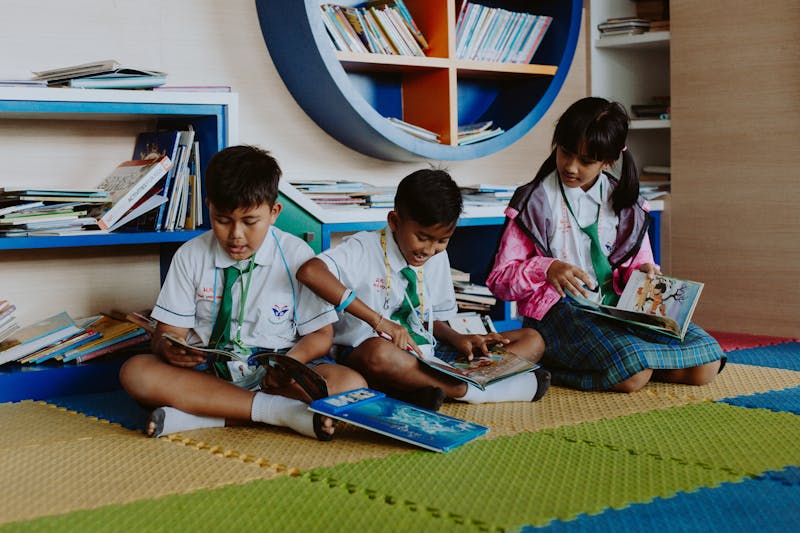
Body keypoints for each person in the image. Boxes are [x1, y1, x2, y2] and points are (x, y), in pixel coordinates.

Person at [119, 145, 366, 440]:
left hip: (276, 378)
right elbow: (168, 332)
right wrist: (169, 347)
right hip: (209, 377)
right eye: (223, 220)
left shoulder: (296, 254)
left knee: (350, 383)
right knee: (137, 372)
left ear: (274, 212)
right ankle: (282, 414)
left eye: (250, 222)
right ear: (208, 206)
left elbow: (321, 334)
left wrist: (292, 363)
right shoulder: (190, 255)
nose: (236, 235)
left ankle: (200, 418)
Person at [486, 97, 725, 393]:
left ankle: (628, 363)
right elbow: (500, 280)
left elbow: (638, 264)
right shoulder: (533, 202)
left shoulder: (627, 203)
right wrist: (547, 268)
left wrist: (645, 273)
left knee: (706, 362)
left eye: (586, 161)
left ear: (609, 161)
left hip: (617, 310)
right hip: (560, 312)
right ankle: (553, 367)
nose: (571, 167)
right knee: (633, 372)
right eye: (565, 152)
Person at [296, 169, 550, 411]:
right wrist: (379, 322)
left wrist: (458, 338)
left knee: (531, 340)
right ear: (394, 221)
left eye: (441, 240)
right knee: (379, 353)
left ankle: (427, 386)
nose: (429, 250)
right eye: (422, 237)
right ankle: (468, 390)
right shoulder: (363, 248)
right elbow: (310, 272)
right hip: (369, 353)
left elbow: (431, 319)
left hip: (429, 353)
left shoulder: (436, 257)